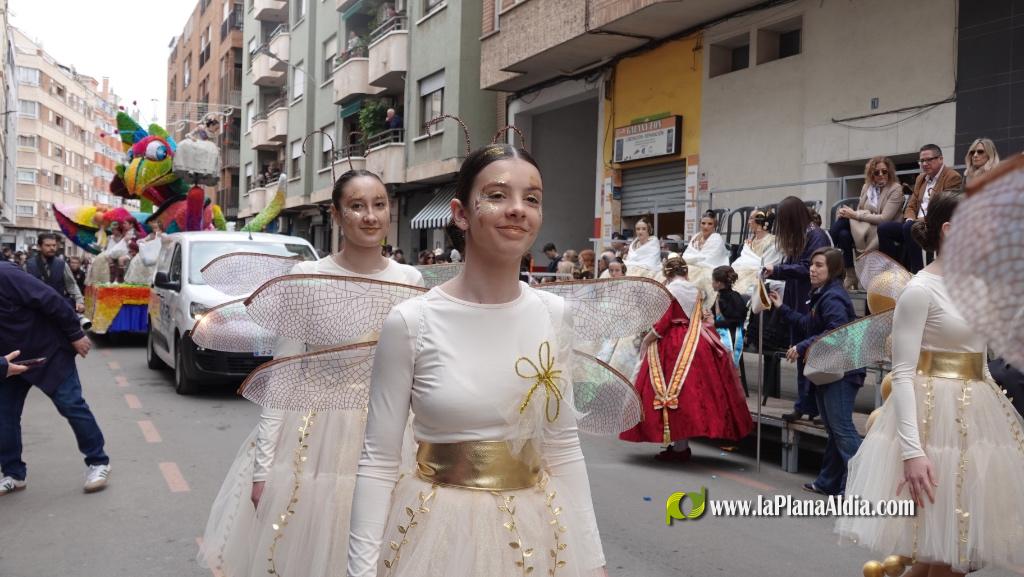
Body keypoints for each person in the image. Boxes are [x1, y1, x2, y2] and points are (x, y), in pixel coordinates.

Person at [346, 142, 609, 577]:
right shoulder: (410, 322)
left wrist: (593, 561)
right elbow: (378, 459)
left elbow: (562, 449)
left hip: (537, 538)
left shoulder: (553, 315)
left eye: (532, 199)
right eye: (497, 195)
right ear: (461, 213)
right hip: (436, 540)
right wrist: (360, 573)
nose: (517, 210)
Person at [198, 169, 424, 577]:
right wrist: (264, 469)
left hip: (392, 434)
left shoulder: (410, 279)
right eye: (357, 206)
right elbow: (283, 375)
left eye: (379, 205)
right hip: (313, 436)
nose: (370, 216)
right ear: (337, 215)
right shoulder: (307, 279)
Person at [837, 191, 1024, 575]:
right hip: (931, 426)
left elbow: (981, 364)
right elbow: (903, 374)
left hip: (975, 423)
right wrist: (912, 452)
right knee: (942, 559)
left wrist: (1004, 429)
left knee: (945, 559)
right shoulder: (920, 291)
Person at [620, 257, 753, 462]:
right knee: (689, 397)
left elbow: (665, 321)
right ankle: (681, 446)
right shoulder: (695, 290)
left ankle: (680, 447)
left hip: (672, 343)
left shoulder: (670, 291)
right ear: (686, 272)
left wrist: (648, 338)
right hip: (695, 341)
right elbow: (697, 317)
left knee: (669, 393)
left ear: (667, 274)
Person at [0, 261, 109, 496]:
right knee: (4, 417)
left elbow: (51, 299)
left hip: (48, 352)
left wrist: (75, 334)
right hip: (8, 362)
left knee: (71, 406)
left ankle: (98, 462)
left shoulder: (6, 275)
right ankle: (13, 473)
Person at [769, 248, 863, 496]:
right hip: (830, 369)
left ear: (832, 269)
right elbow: (807, 324)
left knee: (842, 429)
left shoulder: (832, 298)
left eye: (819, 265)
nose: (812, 269)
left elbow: (837, 331)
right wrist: (781, 307)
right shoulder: (822, 294)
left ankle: (860, 484)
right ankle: (828, 483)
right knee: (834, 430)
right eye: (812, 264)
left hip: (843, 371)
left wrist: (802, 346)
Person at [764, 196, 831, 423]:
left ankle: (818, 407)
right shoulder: (802, 236)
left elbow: (807, 268)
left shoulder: (816, 235)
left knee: (813, 356)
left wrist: (777, 269)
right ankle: (804, 405)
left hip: (810, 302)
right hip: (797, 300)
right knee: (800, 355)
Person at [878, 144, 962, 274]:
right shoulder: (920, 178)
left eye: (929, 160)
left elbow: (946, 208)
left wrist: (917, 221)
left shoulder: (952, 177)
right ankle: (895, 272)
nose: (924, 163)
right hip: (914, 224)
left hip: (935, 224)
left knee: (909, 228)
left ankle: (917, 272)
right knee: (884, 229)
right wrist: (910, 218)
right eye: (922, 160)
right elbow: (911, 204)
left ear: (940, 159)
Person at [832, 156, 904, 288]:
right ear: (871, 174)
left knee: (840, 226)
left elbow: (884, 218)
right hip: (865, 226)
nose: (881, 175)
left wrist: (855, 215)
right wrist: (853, 214)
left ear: (890, 172)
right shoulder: (867, 187)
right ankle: (850, 274)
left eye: (884, 171)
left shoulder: (895, 188)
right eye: (876, 172)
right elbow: (861, 209)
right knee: (842, 232)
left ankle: (827, 249)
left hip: (882, 229)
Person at [25, 233, 85, 314]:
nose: (52, 248)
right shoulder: (29, 265)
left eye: (54, 245)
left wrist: (79, 301)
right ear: (39, 247)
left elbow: (71, 285)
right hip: (36, 310)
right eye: (48, 245)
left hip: (57, 309)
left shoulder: (62, 264)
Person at [732, 209, 781, 296]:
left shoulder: (772, 241)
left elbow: (768, 263)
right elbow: (744, 258)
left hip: (757, 275)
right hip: (744, 272)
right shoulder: (750, 241)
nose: (748, 222)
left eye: (751, 219)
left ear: (759, 221)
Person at [683, 210, 730, 294]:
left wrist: (694, 259)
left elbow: (711, 259)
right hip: (693, 266)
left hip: (708, 267)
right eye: (703, 223)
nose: (706, 226)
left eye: (710, 224)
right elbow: (687, 254)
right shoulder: (696, 237)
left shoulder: (716, 238)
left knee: (703, 278)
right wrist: (694, 259)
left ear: (714, 225)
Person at [710, 266, 746, 368]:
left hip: (731, 336)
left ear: (719, 283)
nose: (711, 283)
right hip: (721, 332)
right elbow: (714, 313)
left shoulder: (734, 298)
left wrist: (715, 323)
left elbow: (736, 320)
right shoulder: (719, 296)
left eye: (713, 281)